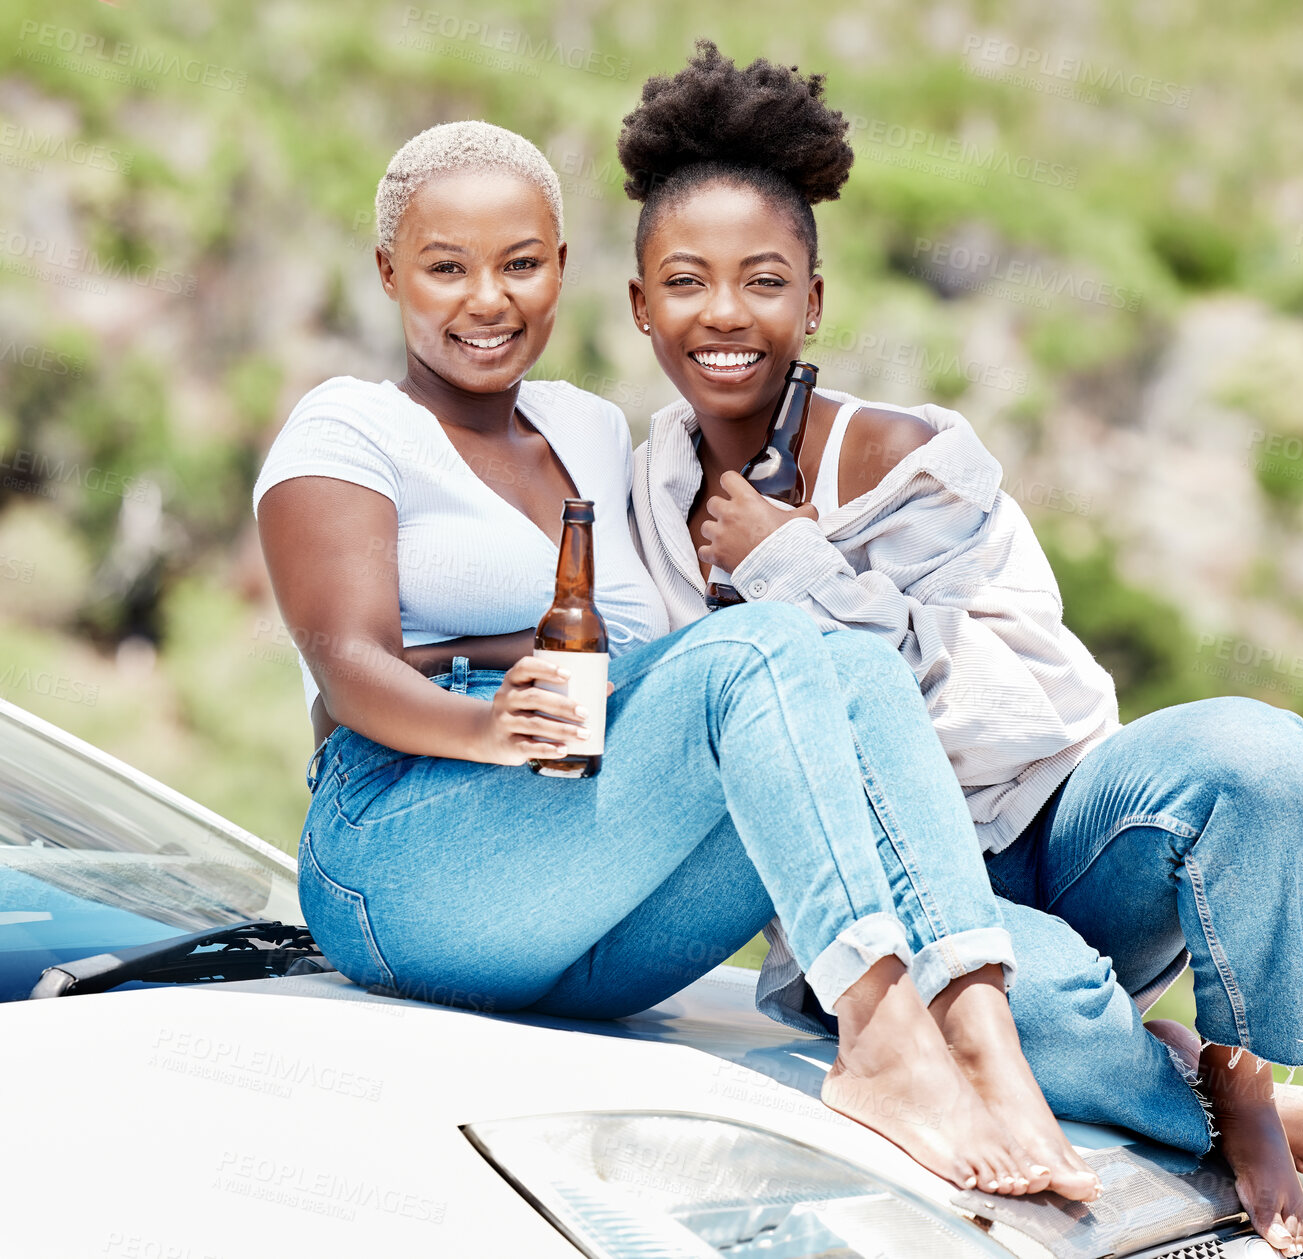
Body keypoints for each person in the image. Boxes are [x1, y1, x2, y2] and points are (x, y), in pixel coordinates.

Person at [254, 120, 1106, 1201]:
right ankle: (885, 1042)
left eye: (520, 264)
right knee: (769, 643)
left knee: (841, 656)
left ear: (562, 270)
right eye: (445, 267)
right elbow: (348, 664)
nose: (487, 299)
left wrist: (495, 648)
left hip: (580, 875)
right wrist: (479, 715)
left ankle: (984, 1039)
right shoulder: (352, 426)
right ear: (389, 273)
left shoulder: (592, 431)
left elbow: (656, 655)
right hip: (405, 845)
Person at [623, 44, 1303, 1257]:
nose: (724, 315)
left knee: (1261, 754)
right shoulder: (641, 488)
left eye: (763, 280)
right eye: (686, 281)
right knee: (1043, 1016)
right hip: (893, 898)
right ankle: (1179, 1090)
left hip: (1059, 821)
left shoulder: (921, 457)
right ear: (643, 303)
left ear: (814, 302)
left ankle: (1239, 1073)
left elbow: (895, 695)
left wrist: (779, 558)